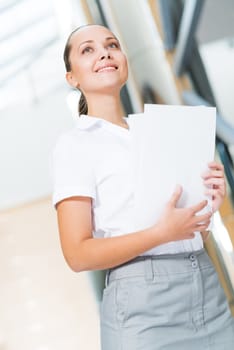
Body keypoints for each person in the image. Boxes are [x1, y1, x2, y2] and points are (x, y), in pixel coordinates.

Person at [52, 24, 234, 349]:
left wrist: (207, 203)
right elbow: (77, 254)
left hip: (205, 287)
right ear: (72, 78)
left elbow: (185, 232)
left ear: (123, 60)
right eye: (88, 50)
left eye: (111, 44)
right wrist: (160, 234)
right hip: (142, 308)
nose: (105, 52)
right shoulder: (74, 145)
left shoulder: (160, 131)